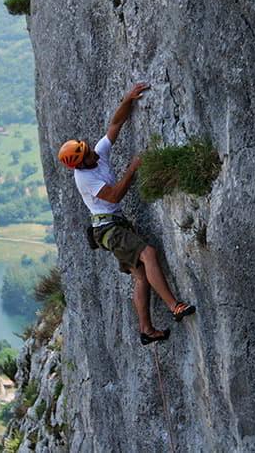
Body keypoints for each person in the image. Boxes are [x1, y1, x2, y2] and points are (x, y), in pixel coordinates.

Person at [58, 82, 195, 345]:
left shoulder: (96, 156)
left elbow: (114, 125)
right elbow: (115, 195)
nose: (92, 155)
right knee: (149, 253)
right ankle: (174, 306)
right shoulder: (84, 179)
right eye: (87, 156)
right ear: (79, 164)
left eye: (88, 150)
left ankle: (146, 330)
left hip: (113, 226)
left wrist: (127, 99)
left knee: (142, 277)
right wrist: (132, 168)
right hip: (109, 230)